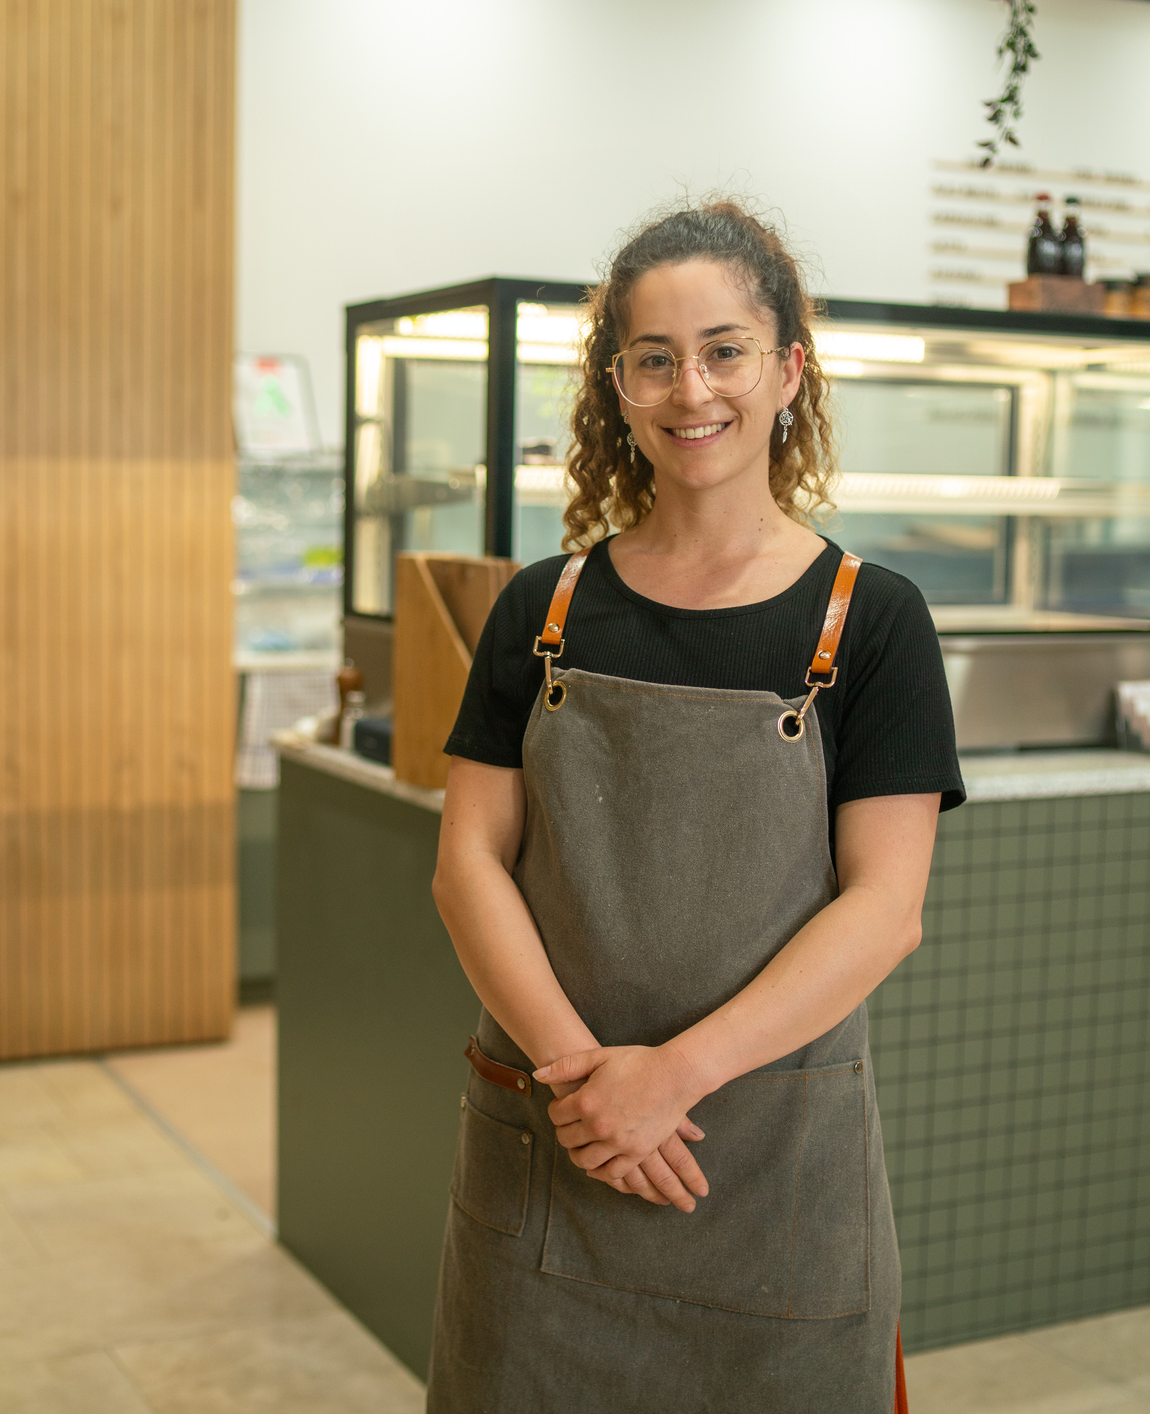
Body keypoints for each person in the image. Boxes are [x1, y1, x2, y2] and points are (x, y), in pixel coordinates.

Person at [426, 199, 965, 1412]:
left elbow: (883, 911)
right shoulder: (542, 610)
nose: (691, 390)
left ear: (788, 368)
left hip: (763, 1180)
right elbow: (466, 863)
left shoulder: (870, 619)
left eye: (724, 350)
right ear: (615, 386)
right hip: (552, 1155)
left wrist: (669, 1077)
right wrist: (588, 1081)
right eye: (652, 360)